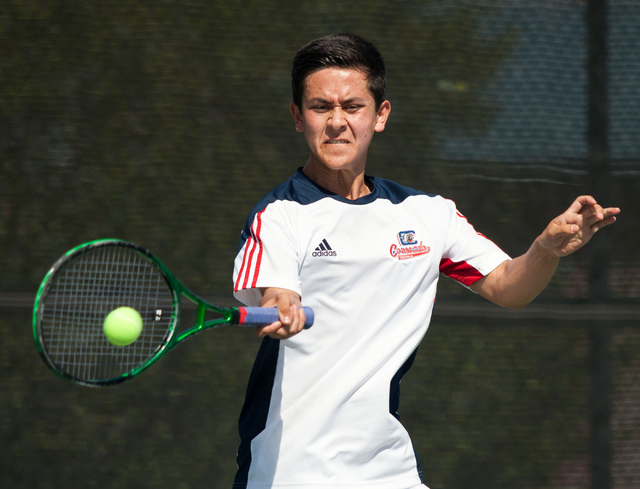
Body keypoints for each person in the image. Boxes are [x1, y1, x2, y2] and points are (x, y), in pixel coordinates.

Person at [231, 33, 619, 489]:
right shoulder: (278, 215)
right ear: (299, 117)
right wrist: (282, 306)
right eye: (320, 107)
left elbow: (508, 286)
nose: (336, 121)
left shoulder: (428, 214)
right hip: (288, 471)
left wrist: (545, 250)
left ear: (381, 115)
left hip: (388, 470)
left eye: (352, 106)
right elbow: (277, 292)